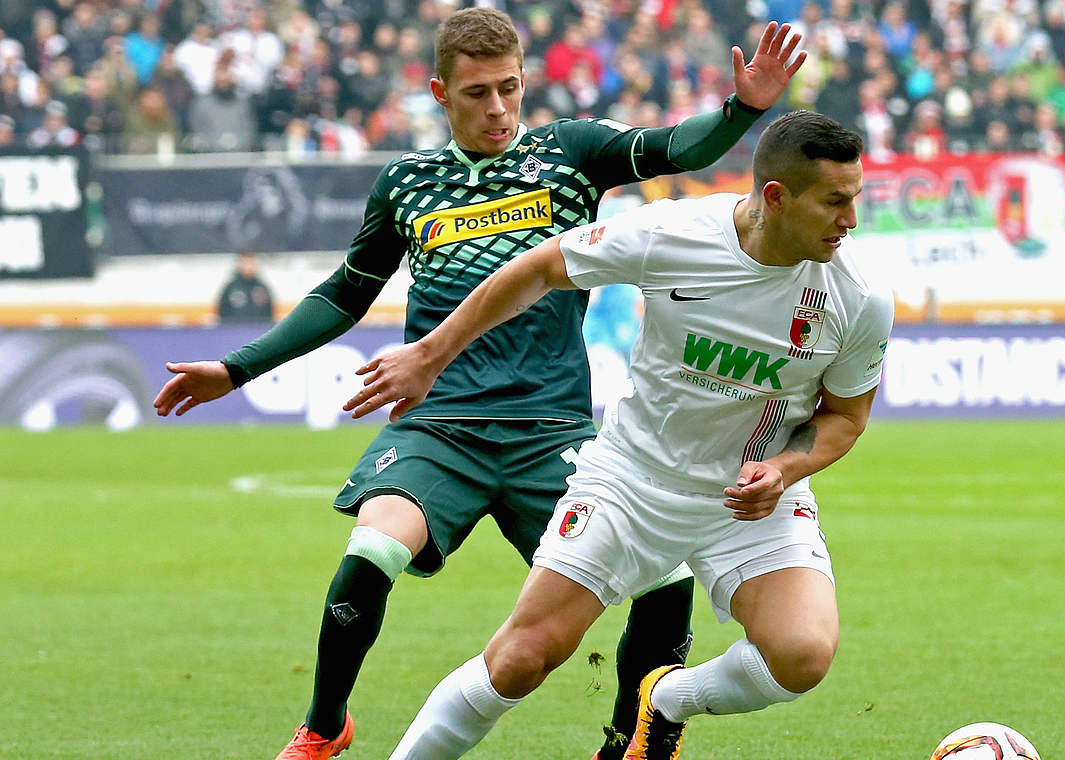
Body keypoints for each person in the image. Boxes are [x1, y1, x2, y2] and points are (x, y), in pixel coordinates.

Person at [151, 9, 806, 760]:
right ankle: (325, 726)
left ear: (525, 82)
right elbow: (343, 294)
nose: (497, 109)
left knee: (664, 580)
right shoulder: (407, 182)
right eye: (476, 94)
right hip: (440, 424)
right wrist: (236, 368)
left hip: (551, 431)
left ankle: (634, 737)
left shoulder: (571, 152)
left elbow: (677, 148)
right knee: (374, 552)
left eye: (509, 89)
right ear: (440, 92)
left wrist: (746, 106)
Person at [345, 110, 893, 760]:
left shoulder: (859, 296)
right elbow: (543, 266)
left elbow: (844, 419)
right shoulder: (674, 232)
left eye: (855, 198)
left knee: (802, 656)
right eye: (835, 201)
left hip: (750, 501)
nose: (851, 219)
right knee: (522, 658)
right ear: (776, 196)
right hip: (632, 482)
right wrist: (433, 352)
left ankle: (664, 701)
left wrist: (787, 470)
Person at [216, 252, 275, 323]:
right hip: (235, 330)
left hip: (258, 329)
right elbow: (222, 310)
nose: (249, 267)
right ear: (240, 265)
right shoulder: (231, 287)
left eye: (251, 263)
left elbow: (269, 312)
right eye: (246, 263)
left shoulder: (262, 288)